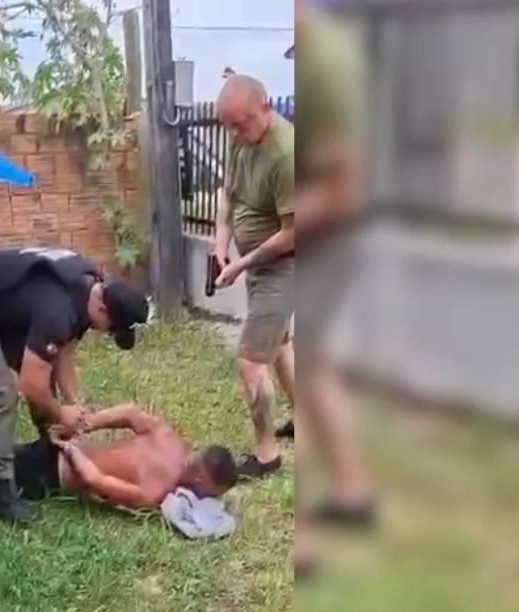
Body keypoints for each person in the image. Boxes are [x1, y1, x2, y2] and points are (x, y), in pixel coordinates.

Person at [0, 248, 149, 525]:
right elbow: (31, 386)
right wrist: (60, 414)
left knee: (44, 380)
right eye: (111, 328)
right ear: (101, 308)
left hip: (4, 310)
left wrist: (75, 403)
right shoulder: (58, 311)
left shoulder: (90, 284)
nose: (108, 333)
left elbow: (64, 351)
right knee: (3, 394)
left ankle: (49, 447)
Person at [293, 0, 376, 578]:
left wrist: (284, 224)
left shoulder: (329, 63)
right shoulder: (315, 54)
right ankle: (354, 492)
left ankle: (305, 544)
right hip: (324, 238)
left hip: (333, 238)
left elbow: (345, 191)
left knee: (303, 370)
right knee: (316, 373)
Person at [0, 403, 238, 512]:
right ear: (202, 482)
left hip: (56, 447)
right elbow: (94, 482)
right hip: (56, 473)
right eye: (211, 495)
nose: (207, 500)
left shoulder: (170, 438)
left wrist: (83, 427)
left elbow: (131, 412)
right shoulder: (156, 491)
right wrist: (73, 449)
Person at [213, 75, 296, 479]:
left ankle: (267, 456)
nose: (234, 133)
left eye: (240, 124)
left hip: (284, 265)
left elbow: (293, 233)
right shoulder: (241, 137)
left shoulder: (287, 153)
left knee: (250, 361)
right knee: (278, 345)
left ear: (265, 107)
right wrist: (219, 243)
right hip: (257, 264)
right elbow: (228, 195)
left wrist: (240, 265)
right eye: (227, 125)